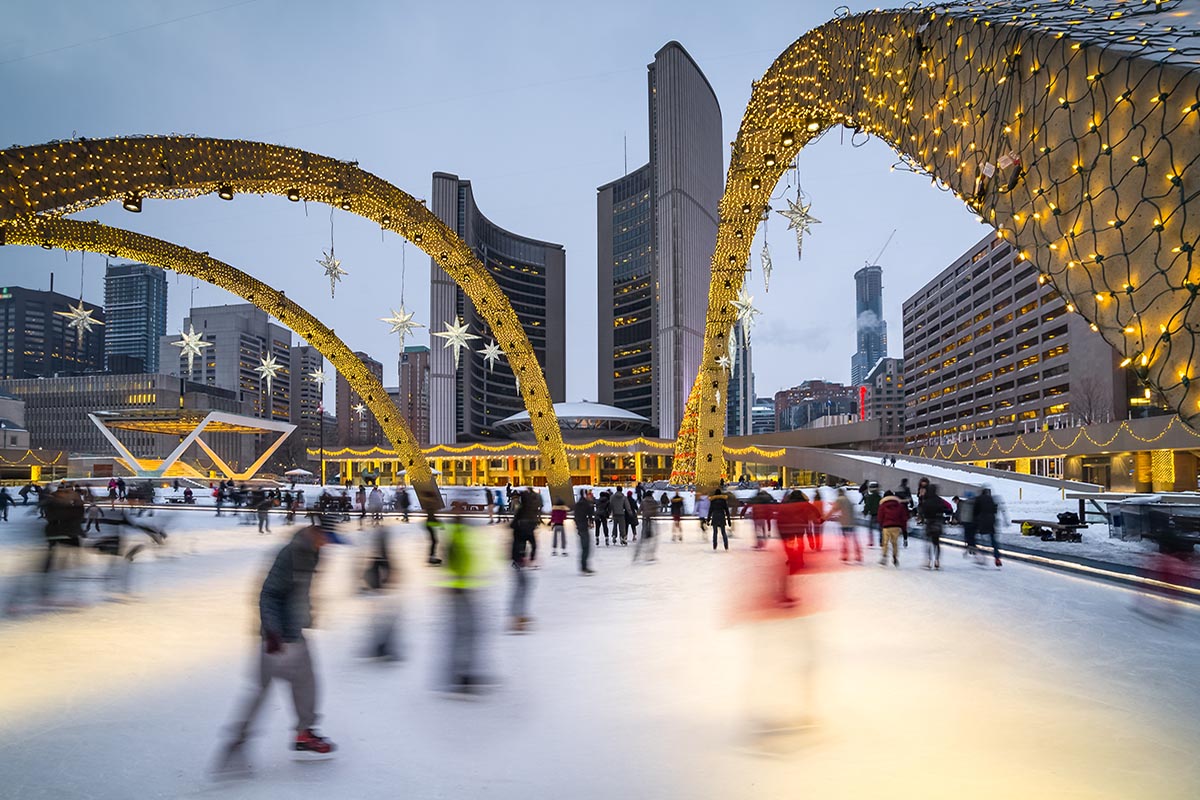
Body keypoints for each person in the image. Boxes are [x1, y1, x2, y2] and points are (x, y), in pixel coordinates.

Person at [214, 519, 344, 774]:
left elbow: (299, 591)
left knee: (307, 682)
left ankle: (304, 734)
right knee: (262, 690)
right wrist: (272, 631)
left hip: (294, 633)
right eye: (326, 538)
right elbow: (269, 594)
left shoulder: (313, 553)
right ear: (316, 532)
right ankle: (237, 742)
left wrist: (307, 613)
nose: (328, 545)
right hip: (276, 638)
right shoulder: (291, 554)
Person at [442, 503, 490, 692]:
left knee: (468, 632)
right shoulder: (455, 532)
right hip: (459, 589)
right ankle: (458, 673)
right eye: (459, 508)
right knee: (462, 632)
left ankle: (462, 671)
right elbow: (450, 559)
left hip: (466, 587)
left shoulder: (462, 529)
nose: (462, 511)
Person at [510, 490, 540, 632]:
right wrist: (532, 554)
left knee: (522, 586)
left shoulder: (521, 514)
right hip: (519, 555)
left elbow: (515, 529)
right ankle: (518, 617)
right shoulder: (526, 516)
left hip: (517, 555)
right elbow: (531, 539)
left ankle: (518, 615)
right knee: (522, 586)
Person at [919, 483, 948, 570]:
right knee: (936, 543)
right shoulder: (939, 500)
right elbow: (946, 509)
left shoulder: (926, 501)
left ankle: (928, 561)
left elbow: (922, 511)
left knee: (928, 542)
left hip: (929, 522)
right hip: (938, 523)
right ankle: (937, 561)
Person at [973, 487, 1004, 567]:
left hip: (982, 520)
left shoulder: (979, 499)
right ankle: (997, 558)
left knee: (978, 538)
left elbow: (975, 511)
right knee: (993, 540)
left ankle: (981, 556)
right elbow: (995, 510)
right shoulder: (992, 499)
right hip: (991, 520)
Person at [877, 490, 908, 567]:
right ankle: (895, 556)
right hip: (896, 526)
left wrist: (881, 524)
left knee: (885, 542)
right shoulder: (900, 506)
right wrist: (904, 530)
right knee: (895, 543)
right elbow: (904, 518)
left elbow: (880, 517)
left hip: (886, 526)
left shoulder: (883, 505)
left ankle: (884, 556)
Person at [831, 488, 861, 562]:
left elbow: (834, 510)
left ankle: (845, 555)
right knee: (855, 540)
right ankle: (858, 555)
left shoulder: (840, 500)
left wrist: (824, 518)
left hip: (844, 523)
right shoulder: (848, 500)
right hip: (852, 522)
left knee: (844, 539)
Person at [573, 491, 595, 574]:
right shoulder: (584, 504)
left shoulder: (580, 503)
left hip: (581, 527)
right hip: (583, 527)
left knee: (585, 547)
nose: (591, 497)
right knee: (585, 547)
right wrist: (589, 522)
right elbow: (588, 514)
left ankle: (584, 566)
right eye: (590, 496)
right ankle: (584, 567)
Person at [634, 492, 659, 563]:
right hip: (652, 521)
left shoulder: (643, 502)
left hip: (645, 520)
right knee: (652, 539)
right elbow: (656, 511)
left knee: (643, 538)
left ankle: (637, 554)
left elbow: (639, 511)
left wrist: (640, 514)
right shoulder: (654, 502)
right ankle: (650, 555)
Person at [707, 487, 732, 551]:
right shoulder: (723, 501)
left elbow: (710, 510)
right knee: (723, 532)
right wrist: (729, 521)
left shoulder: (713, 501)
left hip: (715, 517)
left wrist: (708, 520)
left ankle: (714, 545)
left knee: (715, 532)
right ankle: (726, 545)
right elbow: (727, 511)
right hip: (721, 516)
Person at [861, 482, 881, 547]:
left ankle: (871, 541)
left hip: (873, 515)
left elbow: (868, 505)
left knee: (871, 529)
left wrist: (865, 512)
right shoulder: (879, 497)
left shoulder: (870, 497)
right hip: (880, 515)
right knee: (880, 529)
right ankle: (881, 541)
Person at [959, 491, 978, 558]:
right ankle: (972, 548)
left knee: (968, 536)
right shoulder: (975, 503)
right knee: (972, 536)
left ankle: (970, 547)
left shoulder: (965, 503)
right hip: (973, 522)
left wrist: (961, 520)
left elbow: (963, 513)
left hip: (966, 522)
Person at [895, 479, 914, 546]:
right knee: (904, 525)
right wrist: (911, 503)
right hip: (904, 508)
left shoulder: (898, 489)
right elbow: (909, 497)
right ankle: (905, 539)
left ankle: (896, 538)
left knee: (897, 524)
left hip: (897, 508)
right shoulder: (906, 489)